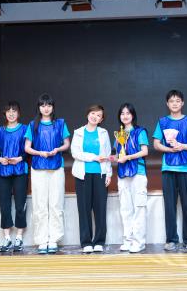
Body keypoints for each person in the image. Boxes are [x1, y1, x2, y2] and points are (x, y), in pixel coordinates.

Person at [153, 90, 187, 251]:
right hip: (168, 168)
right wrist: (169, 149)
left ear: (182, 103)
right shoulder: (162, 122)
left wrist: (182, 146)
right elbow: (156, 144)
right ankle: (171, 239)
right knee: (170, 205)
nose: (175, 103)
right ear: (167, 104)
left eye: (178, 101)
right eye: (172, 101)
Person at [24, 94, 71, 254]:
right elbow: (27, 147)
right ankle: (41, 240)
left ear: (53, 107)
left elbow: (67, 144)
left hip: (56, 167)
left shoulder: (60, 123)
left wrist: (57, 149)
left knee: (56, 203)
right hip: (38, 167)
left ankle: (54, 239)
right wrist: (39, 153)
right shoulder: (33, 125)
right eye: (43, 105)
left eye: (49, 105)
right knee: (40, 204)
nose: (46, 108)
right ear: (39, 107)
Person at [70, 104, 112, 253]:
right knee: (84, 208)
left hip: (100, 174)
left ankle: (99, 241)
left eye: (98, 115)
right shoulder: (78, 132)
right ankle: (86, 242)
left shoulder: (104, 133)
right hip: (82, 175)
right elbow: (75, 153)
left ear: (101, 119)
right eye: (93, 113)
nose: (95, 117)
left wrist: (108, 174)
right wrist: (94, 157)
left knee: (100, 208)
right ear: (88, 114)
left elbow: (107, 154)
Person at [0, 101, 28, 253]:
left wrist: (20, 158)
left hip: (20, 170)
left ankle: (19, 237)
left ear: (18, 113)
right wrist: (0, 159)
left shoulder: (25, 129)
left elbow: (28, 149)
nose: (11, 114)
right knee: (4, 205)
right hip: (3, 171)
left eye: (14, 111)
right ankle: (7, 238)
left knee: (20, 205)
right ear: (5, 114)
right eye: (8, 111)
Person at [114, 103, 149, 253]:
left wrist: (128, 157)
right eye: (122, 113)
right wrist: (111, 158)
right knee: (125, 209)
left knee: (139, 208)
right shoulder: (118, 134)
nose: (125, 116)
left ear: (133, 115)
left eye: (128, 113)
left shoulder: (140, 131)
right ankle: (127, 240)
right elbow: (118, 154)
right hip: (123, 173)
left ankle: (139, 242)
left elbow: (145, 151)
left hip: (138, 173)